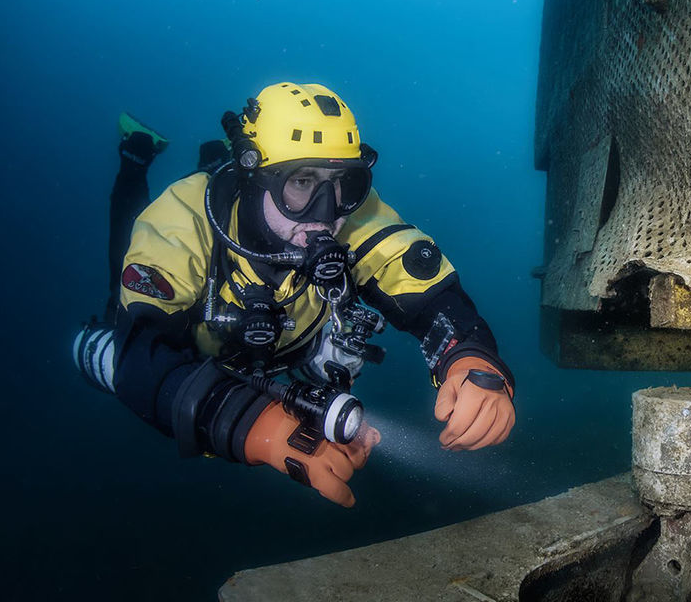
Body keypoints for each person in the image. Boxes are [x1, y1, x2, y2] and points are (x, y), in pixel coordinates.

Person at [73, 83, 516, 507]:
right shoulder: (180, 223)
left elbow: (422, 285)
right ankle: (137, 154)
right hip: (196, 334)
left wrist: (470, 358)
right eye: (301, 181)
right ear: (255, 178)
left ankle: (223, 157)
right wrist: (257, 427)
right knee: (119, 299)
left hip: (285, 347)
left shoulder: (354, 215)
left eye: (342, 182)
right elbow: (142, 356)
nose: (326, 212)